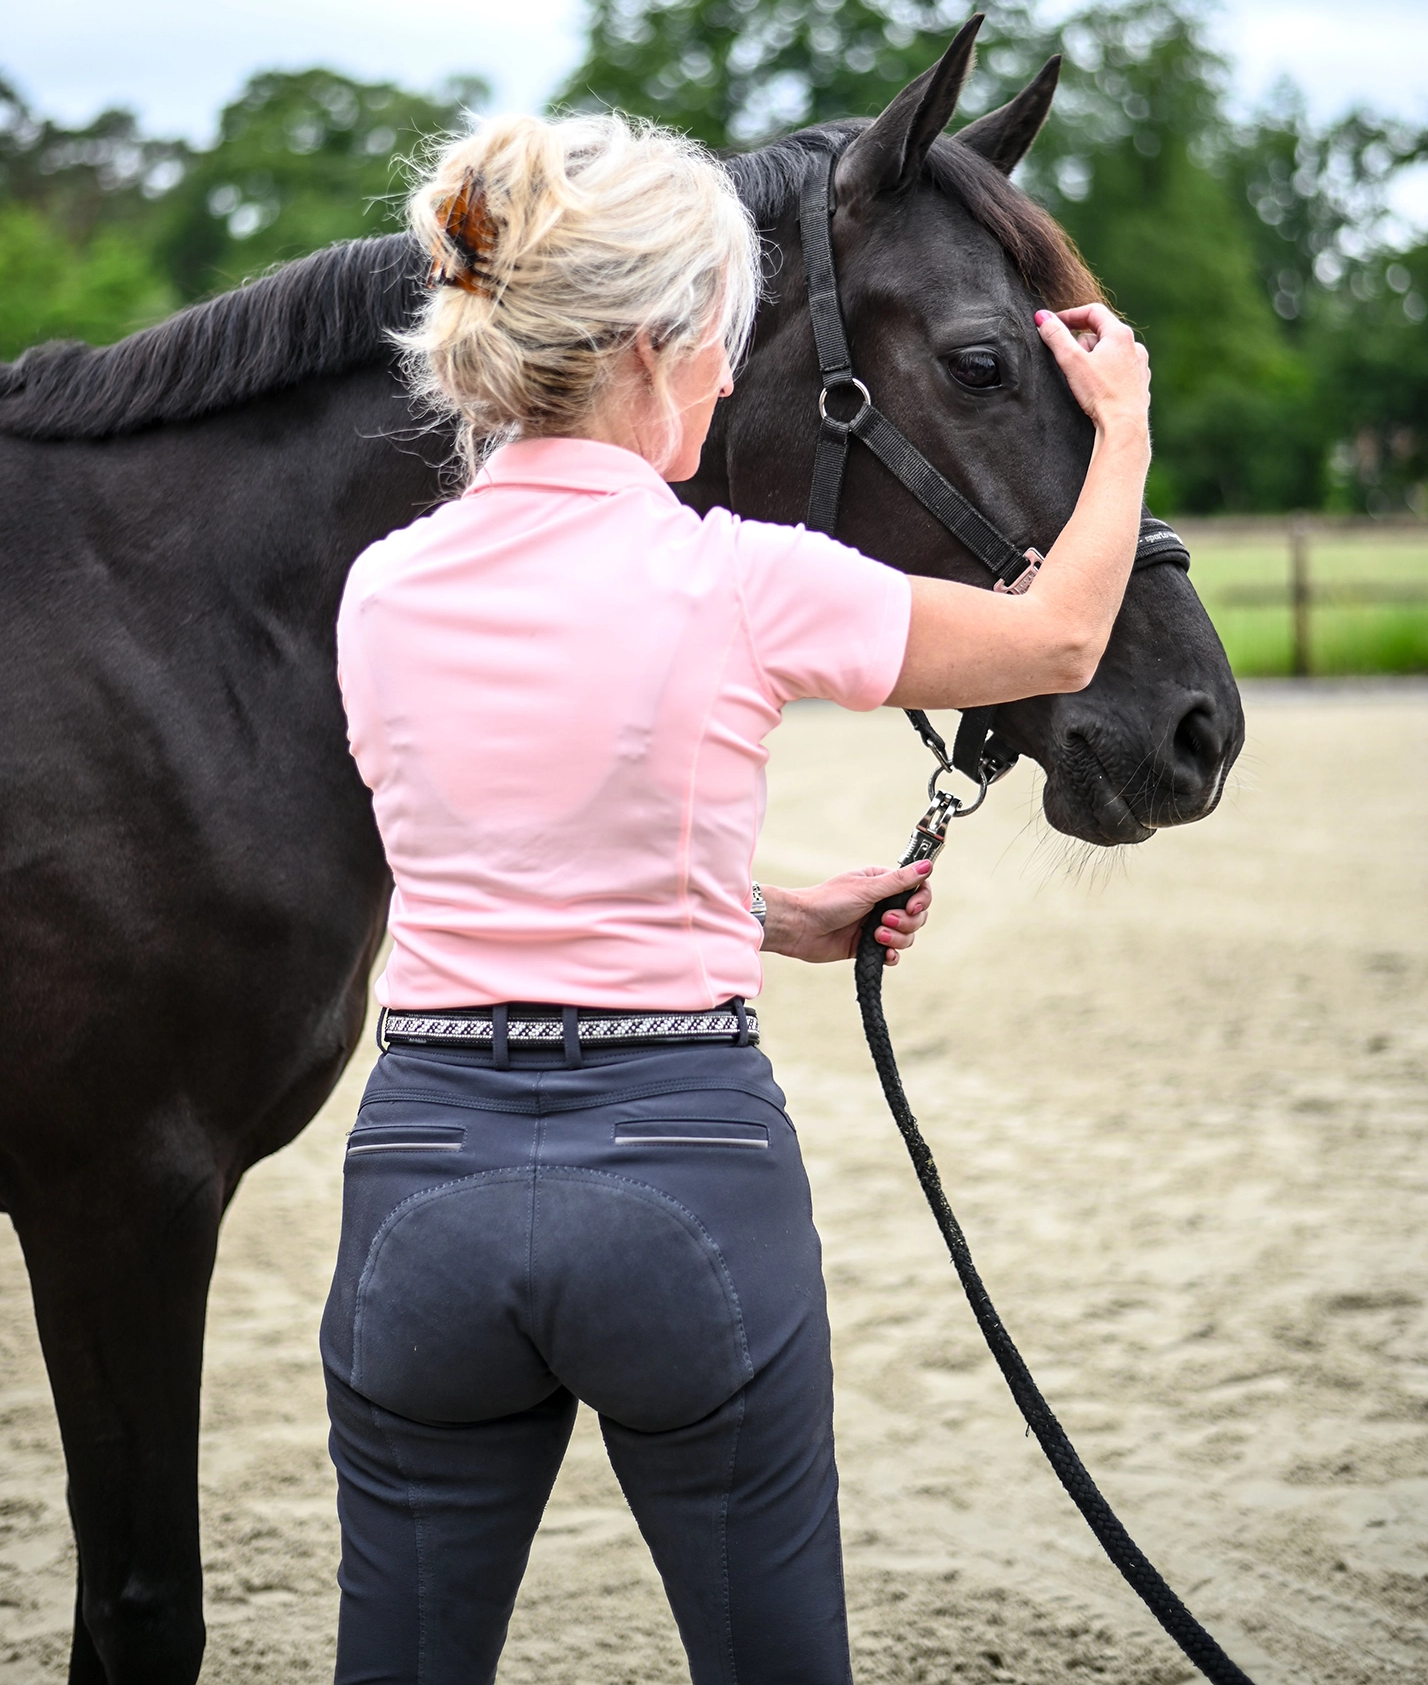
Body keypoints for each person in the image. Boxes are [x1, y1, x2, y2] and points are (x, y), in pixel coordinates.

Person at [320, 112, 1151, 1685]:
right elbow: (1055, 643)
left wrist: (766, 913)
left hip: (420, 1188)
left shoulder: (382, 588)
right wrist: (1120, 431)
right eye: (719, 336)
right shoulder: (746, 576)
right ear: (648, 346)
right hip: (683, 1172)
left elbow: (502, 848)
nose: (725, 373)